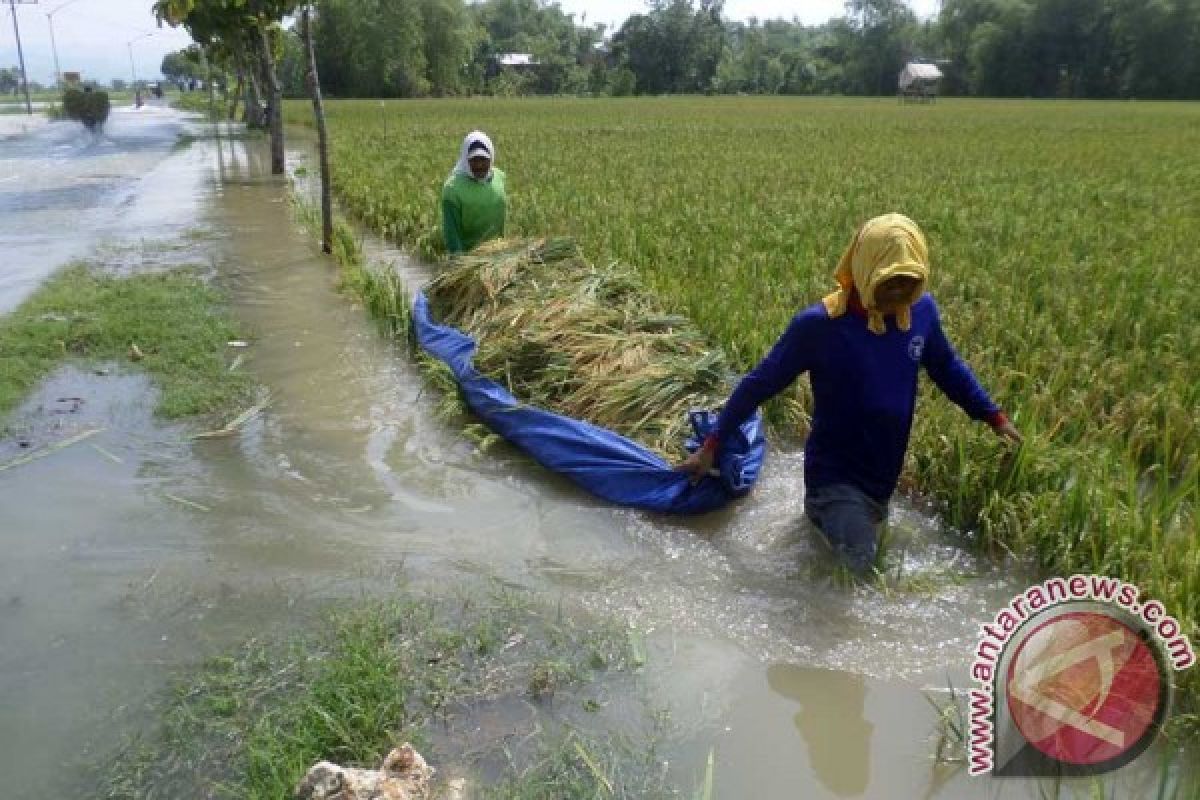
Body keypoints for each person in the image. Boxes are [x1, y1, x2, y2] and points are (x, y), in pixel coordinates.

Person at [679, 213, 1021, 574]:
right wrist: (712, 445)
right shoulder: (819, 326)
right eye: (890, 283)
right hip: (834, 478)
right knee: (859, 577)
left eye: (910, 282)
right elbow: (758, 384)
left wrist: (992, 415)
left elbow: (948, 368)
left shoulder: (920, 313)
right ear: (864, 272)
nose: (900, 294)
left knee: (848, 558)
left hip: (881, 475)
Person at [441, 130, 506, 254]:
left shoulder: (499, 178)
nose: (479, 165)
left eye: (484, 159)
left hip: (498, 254)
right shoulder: (452, 190)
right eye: (474, 160)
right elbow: (452, 234)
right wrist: (461, 263)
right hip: (469, 256)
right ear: (466, 159)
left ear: (491, 158)